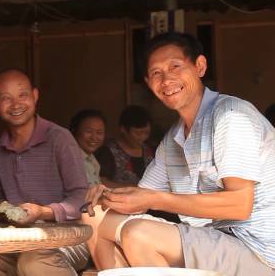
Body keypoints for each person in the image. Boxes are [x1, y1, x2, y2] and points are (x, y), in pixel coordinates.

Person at [84, 32, 275, 274]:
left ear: (200, 66)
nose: (166, 80)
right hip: (213, 241)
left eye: (175, 66)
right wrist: (107, 196)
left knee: (138, 234)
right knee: (95, 218)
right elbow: (141, 198)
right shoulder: (173, 139)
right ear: (148, 83)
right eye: (156, 73)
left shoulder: (231, 116)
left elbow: (240, 205)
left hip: (257, 250)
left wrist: (154, 200)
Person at [0, 68, 89, 276]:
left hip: (67, 237)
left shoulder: (60, 139)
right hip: (18, 240)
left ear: (35, 96)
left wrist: (42, 212)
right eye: (6, 99)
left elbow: (81, 198)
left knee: (32, 262)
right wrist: (3, 209)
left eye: (22, 95)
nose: (16, 105)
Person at [94, 105, 153, 187]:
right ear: (123, 129)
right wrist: (133, 189)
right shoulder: (108, 152)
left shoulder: (151, 151)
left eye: (146, 133)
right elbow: (101, 182)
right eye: (138, 133)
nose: (143, 137)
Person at [69, 109, 107, 186]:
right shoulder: (70, 159)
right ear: (75, 131)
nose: (94, 137)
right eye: (88, 131)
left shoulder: (91, 159)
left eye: (99, 133)